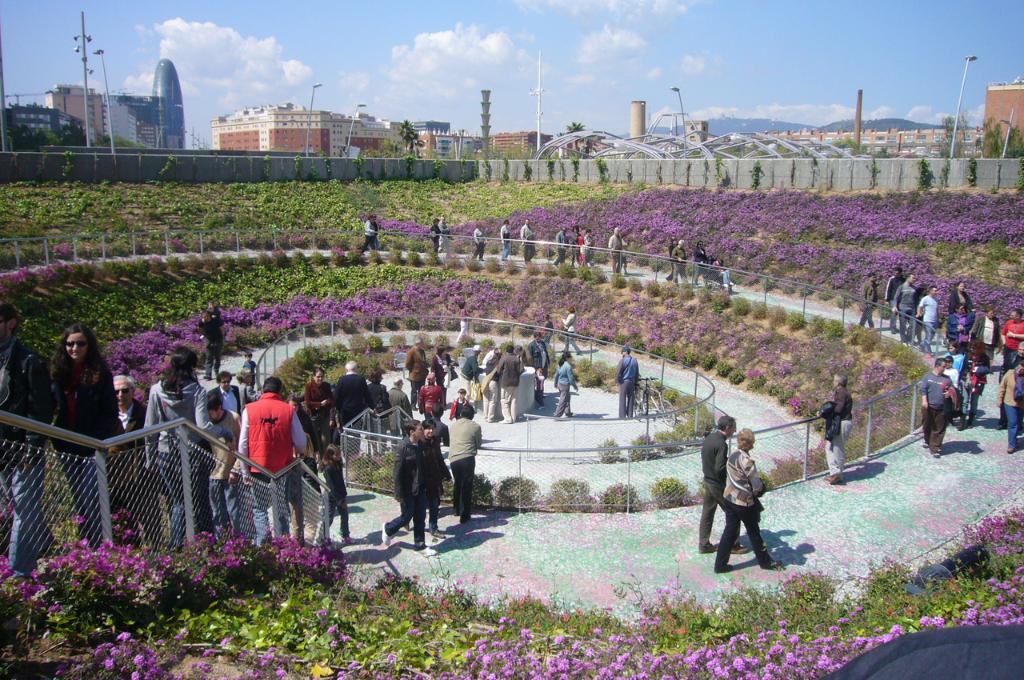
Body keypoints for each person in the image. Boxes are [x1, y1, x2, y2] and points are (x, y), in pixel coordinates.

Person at [50, 322, 119, 548]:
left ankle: (96, 545)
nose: (75, 348)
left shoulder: (101, 375)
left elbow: (110, 412)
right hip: (66, 446)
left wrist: (97, 438)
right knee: (78, 497)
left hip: (91, 447)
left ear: (89, 346)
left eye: (80, 343)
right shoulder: (58, 373)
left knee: (91, 496)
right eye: (70, 344)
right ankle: (85, 544)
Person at [0, 303, 55, 576]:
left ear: (11, 323)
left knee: (24, 510)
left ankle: (19, 574)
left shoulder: (28, 360)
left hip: (22, 449)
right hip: (2, 450)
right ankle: (45, 542)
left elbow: (41, 408)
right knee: (18, 507)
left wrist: (32, 450)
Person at [145, 346, 214, 549]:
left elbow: (150, 426)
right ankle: (209, 545)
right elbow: (202, 426)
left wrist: (150, 458)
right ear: (193, 366)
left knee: (178, 501)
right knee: (201, 501)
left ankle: (175, 546)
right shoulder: (198, 391)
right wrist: (223, 435)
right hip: (194, 452)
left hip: (166, 451)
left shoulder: (157, 390)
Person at [239, 376, 307, 545]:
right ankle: (283, 543)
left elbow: (242, 443)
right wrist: (299, 453)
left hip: (257, 466)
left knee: (259, 507)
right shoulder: (288, 410)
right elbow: (300, 442)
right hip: (282, 467)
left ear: (263, 391)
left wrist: (244, 470)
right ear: (280, 391)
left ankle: (263, 544)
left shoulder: (250, 409)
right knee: (281, 506)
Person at [714, 429, 784, 573]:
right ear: (751, 444)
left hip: (729, 497)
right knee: (754, 533)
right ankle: (765, 562)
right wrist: (760, 489)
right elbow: (757, 485)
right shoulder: (748, 461)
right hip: (743, 502)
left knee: (729, 532)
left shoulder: (732, 456)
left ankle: (720, 565)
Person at [380, 420, 436, 555]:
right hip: (408, 489)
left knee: (420, 517)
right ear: (412, 432)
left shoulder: (421, 445)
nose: (423, 432)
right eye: (420, 430)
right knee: (407, 516)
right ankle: (388, 529)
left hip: (421, 487)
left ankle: (420, 544)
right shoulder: (403, 447)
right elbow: (397, 471)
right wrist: (398, 493)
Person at [698, 415, 747, 555]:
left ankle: (704, 545)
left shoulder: (709, 438)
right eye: (733, 428)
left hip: (707, 480)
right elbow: (719, 467)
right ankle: (733, 545)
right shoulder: (722, 444)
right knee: (734, 512)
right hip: (716, 484)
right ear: (727, 427)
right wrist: (732, 464)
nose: (734, 431)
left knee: (707, 513)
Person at [206, 391, 242, 537]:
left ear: (219, 408)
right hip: (213, 475)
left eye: (211, 412)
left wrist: (236, 468)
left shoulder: (233, 418)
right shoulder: (206, 423)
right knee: (218, 513)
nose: (209, 416)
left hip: (231, 474)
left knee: (234, 512)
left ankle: (239, 543)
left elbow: (243, 446)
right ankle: (222, 544)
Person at [448, 405, 481, 524]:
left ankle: (456, 509)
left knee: (457, 483)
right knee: (466, 486)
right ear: (472, 415)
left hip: (453, 458)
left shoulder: (453, 425)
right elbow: (479, 443)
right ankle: (464, 514)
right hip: (467, 458)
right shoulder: (475, 426)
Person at [421, 420, 452, 540]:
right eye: (428, 428)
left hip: (434, 479)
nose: (430, 431)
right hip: (423, 481)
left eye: (432, 429)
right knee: (419, 507)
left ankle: (433, 528)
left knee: (435, 505)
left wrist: (446, 474)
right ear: (423, 430)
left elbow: (439, 458)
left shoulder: (435, 441)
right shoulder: (419, 443)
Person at [317, 444, 351, 545]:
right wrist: (340, 501)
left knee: (345, 515)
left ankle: (345, 534)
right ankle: (322, 537)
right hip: (331, 497)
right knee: (329, 518)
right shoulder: (328, 469)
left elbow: (340, 481)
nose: (339, 456)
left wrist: (343, 495)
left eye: (339, 454)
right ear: (330, 455)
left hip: (341, 494)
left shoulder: (338, 463)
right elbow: (332, 487)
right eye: (337, 455)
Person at [822, 374, 853, 485]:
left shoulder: (841, 392)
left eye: (834, 380)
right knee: (829, 447)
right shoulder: (843, 392)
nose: (833, 382)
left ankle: (838, 475)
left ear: (839, 383)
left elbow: (838, 409)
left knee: (837, 449)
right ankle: (835, 472)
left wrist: (824, 410)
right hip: (843, 422)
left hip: (843, 423)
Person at [920, 358, 954, 459]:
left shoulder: (947, 379)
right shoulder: (928, 377)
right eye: (943, 366)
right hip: (929, 406)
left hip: (942, 407)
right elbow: (923, 390)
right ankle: (927, 440)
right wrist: (924, 401)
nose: (945, 368)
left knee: (939, 428)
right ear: (937, 366)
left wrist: (949, 393)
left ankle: (935, 448)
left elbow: (952, 389)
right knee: (927, 425)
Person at [304, 367, 334, 455]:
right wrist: (319, 404)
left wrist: (327, 402)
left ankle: (326, 458)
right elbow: (307, 402)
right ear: (313, 377)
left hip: (324, 415)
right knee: (316, 439)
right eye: (318, 377)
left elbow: (332, 400)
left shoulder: (326, 385)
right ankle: (319, 458)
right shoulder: (308, 386)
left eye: (322, 377)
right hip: (314, 416)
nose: (320, 379)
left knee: (325, 439)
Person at [997, 361, 1024, 454]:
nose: (1022, 368)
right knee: (1013, 423)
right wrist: (999, 399)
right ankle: (1011, 445)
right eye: (1021, 365)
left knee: (1019, 423)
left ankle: (1015, 439)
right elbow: (1002, 387)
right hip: (1010, 402)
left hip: (1022, 404)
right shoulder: (1010, 373)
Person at [965, 341, 992, 428]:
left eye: (975, 348)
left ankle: (971, 420)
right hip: (968, 380)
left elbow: (987, 369)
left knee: (974, 401)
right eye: (972, 348)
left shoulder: (985, 358)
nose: (973, 350)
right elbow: (964, 367)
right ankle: (962, 417)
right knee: (965, 399)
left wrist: (978, 370)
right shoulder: (968, 355)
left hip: (978, 382)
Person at [496, 343, 522, 424]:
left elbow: (498, 370)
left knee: (504, 401)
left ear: (506, 351)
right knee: (514, 400)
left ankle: (508, 419)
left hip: (506, 382)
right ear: (513, 351)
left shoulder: (504, 358)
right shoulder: (517, 359)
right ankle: (514, 418)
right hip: (516, 382)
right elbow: (520, 370)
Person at [198, 303, 224, 380]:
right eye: (203, 317)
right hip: (208, 340)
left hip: (218, 339)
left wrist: (223, 338)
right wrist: (203, 336)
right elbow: (199, 328)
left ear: (209, 316)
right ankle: (208, 374)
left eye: (206, 317)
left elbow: (222, 328)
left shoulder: (216, 320)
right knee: (209, 357)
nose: (204, 318)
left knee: (217, 357)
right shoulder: (202, 322)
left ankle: (216, 372)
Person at [405, 338, 429, 410]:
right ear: (418, 344)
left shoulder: (422, 351)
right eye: (422, 343)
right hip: (415, 375)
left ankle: (420, 404)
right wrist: (413, 370)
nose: (423, 344)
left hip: (422, 375)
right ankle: (413, 405)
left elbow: (424, 361)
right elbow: (407, 364)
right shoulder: (411, 352)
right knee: (414, 392)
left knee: (421, 391)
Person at [894, 274, 918, 346]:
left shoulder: (914, 288)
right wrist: (894, 306)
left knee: (913, 325)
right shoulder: (901, 287)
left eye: (915, 278)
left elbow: (916, 299)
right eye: (913, 278)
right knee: (903, 325)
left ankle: (909, 339)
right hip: (903, 308)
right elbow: (896, 297)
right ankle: (903, 340)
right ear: (908, 278)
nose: (914, 279)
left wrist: (918, 309)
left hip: (912, 309)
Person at [616, 345, 639, 418]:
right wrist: (635, 382)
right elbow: (637, 373)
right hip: (632, 382)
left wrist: (617, 381)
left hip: (624, 382)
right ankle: (630, 415)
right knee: (631, 398)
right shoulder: (635, 360)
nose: (622, 353)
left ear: (625, 352)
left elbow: (618, 372)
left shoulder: (623, 360)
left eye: (622, 352)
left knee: (622, 399)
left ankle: (622, 416)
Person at [481, 345, 503, 423]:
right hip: (493, 382)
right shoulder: (498, 364)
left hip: (486, 381)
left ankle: (485, 416)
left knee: (486, 400)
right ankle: (490, 418)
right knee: (493, 400)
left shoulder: (488, 362)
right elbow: (500, 374)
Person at [916, 285, 940, 354]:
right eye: (935, 291)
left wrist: (937, 319)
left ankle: (921, 345)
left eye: (936, 291)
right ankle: (928, 351)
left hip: (934, 321)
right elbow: (920, 306)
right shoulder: (925, 298)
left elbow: (937, 310)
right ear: (930, 291)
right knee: (929, 336)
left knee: (931, 336)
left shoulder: (936, 299)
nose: (936, 292)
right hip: (927, 320)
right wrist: (919, 313)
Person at [554, 352, 578, 419]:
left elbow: (556, 375)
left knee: (567, 397)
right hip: (565, 385)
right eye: (570, 357)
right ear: (567, 358)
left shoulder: (560, 364)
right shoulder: (568, 366)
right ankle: (557, 415)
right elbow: (571, 379)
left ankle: (568, 413)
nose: (571, 359)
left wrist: (555, 383)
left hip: (559, 384)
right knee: (563, 400)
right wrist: (575, 386)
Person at [1002, 309, 1024, 380]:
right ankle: (1004, 381)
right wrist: (1004, 342)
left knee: (1015, 366)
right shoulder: (1009, 322)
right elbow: (1003, 334)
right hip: (1008, 348)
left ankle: (1013, 380)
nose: (1011, 316)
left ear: (1018, 316)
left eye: (1013, 315)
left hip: (1018, 349)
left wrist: (1014, 335)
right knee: (1006, 364)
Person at [883, 267, 906, 335]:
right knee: (894, 313)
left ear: (900, 273)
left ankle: (901, 329)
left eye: (897, 273)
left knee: (901, 314)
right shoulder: (892, 279)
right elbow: (888, 289)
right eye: (895, 272)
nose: (896, 274)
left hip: (901, 299)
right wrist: (887, 299)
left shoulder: (903, 280)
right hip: (893, 299)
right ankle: (893, 328)